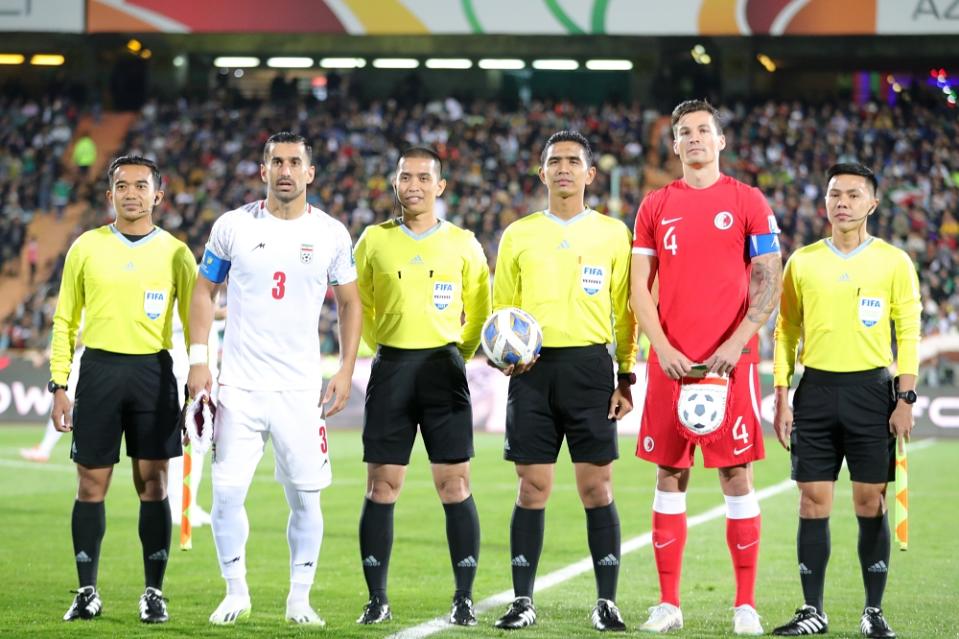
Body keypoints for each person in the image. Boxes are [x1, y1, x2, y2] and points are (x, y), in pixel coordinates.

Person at [187, 131, 361, 627]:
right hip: (238, 387)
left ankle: (299, 598)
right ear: (263, 171)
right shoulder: (232, 227)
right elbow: (204, 292)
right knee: (224, 494)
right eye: (276, 162)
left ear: (310, 173)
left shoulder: (330, 233)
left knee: (306, 497)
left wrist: (345, 369)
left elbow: (350, 303)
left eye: (294, 162)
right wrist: (199, 359)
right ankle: (235, 592)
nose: (285, 171)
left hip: (300, 390)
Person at [630, 99, 782, 635]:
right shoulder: (654, 205)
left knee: (737, 477)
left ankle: (745, 605)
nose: (694, 138)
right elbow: (638, 291)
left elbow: (768, 279)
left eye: (703, 131)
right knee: (669, 474)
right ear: (674, 145)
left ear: (720, 141)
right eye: (684, 132)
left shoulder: (748, 200)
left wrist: (738, 342)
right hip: (669, 365)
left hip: (731, 363)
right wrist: (661, 348)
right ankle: (668, 604)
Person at [491, 130, 637, 632]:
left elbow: (626, 312)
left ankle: (607, 602)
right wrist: (502, 357)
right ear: (541, 172)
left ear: (590, 174)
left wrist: (626, 375)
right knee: (532, 487)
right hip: (532, 372)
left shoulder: (614, 233)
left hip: (591, 369)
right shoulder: (519, 234)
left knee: (597, 487)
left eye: (574, 161)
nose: (564, 169)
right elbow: (502, 312)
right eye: (555, 161)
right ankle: (523, 601)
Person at [770, 163, 920, 638]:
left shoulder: (894, 262)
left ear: (872, 204)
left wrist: (906, 397)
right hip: (814, 391)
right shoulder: (803, 261)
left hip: (873, 393)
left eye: (854, 195)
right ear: (825, 202)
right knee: (812, 500)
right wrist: (781, 394)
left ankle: (873, 611)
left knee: (869, 500)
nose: (843, 202)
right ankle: (812, 609)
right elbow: (785, 330)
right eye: (836, 194)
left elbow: (909, 332)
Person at [50, 155, 196, 623]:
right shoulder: (86, 248)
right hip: (99, 372)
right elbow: (65, 319)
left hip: (154, 374)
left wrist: (201, 370)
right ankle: (87, 590)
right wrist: (58, 383)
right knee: (91, 483)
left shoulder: (176, 252)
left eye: (140, 185)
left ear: (158, 193)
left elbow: (196, 320)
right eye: (121, 185)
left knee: (153, 484)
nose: (130, 193)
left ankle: (154, 593)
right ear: (109, 193)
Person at [353, 146, 491, 626]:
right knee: (381, 485)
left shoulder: (464, 244)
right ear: (394, 183)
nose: (412, 185)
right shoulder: (372, 240)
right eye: (404, 176)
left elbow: (480, 309)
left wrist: (457, 355)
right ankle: (376, 598)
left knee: (454, 484)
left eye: (422, 177)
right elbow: (360, 307)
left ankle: (464, 597)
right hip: (391, 367)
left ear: (440, 186)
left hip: (444, 369)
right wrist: (387, 347)